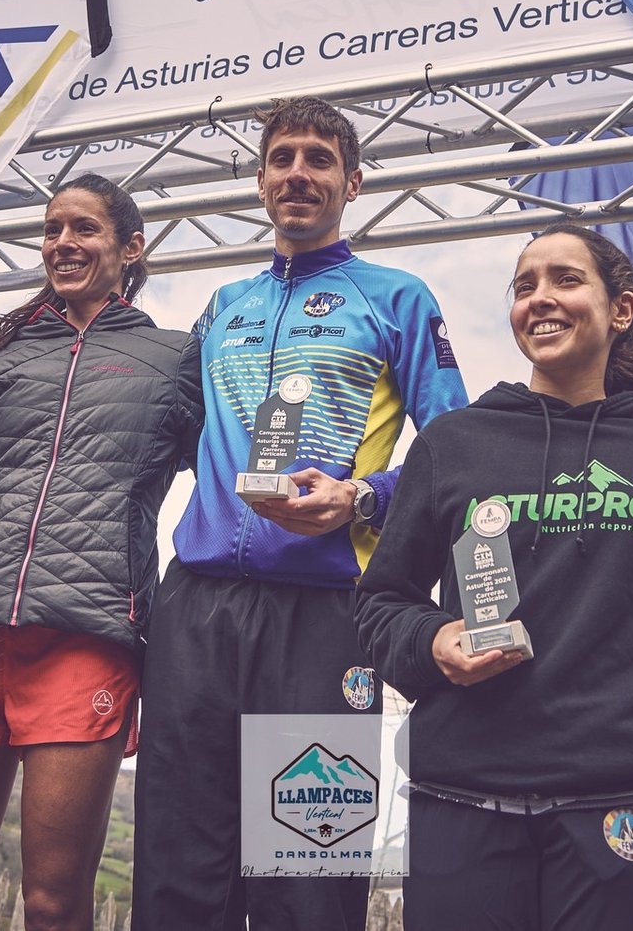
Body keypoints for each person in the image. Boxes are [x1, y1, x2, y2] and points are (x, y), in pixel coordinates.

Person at [356, 223, 633, 930]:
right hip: (462, 804)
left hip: (618, 814)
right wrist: (434, 642)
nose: (540, 298)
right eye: (525, 286)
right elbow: (380, 607)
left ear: (620, 308)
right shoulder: (453, 444)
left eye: (564, 279)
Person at [133, 96, 469, 931]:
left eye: (319, 158)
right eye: (282, 157)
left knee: (308, 868)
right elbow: (160, 442)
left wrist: (364, 495)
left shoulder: (396, 298)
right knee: (179, 866)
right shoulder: (221, 307)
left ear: (351, 182)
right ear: (259, 180)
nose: (298, 172)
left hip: (327, 612)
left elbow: (455, 450)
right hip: (198, 607)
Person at [0, 174, 199, 931]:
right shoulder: (3, 363)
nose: (63, 242)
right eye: (52, 228)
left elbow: (231, 485)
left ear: (130, 248)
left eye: (85, 229)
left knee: (52, 903)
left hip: (87, 636)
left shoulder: (174, 358)